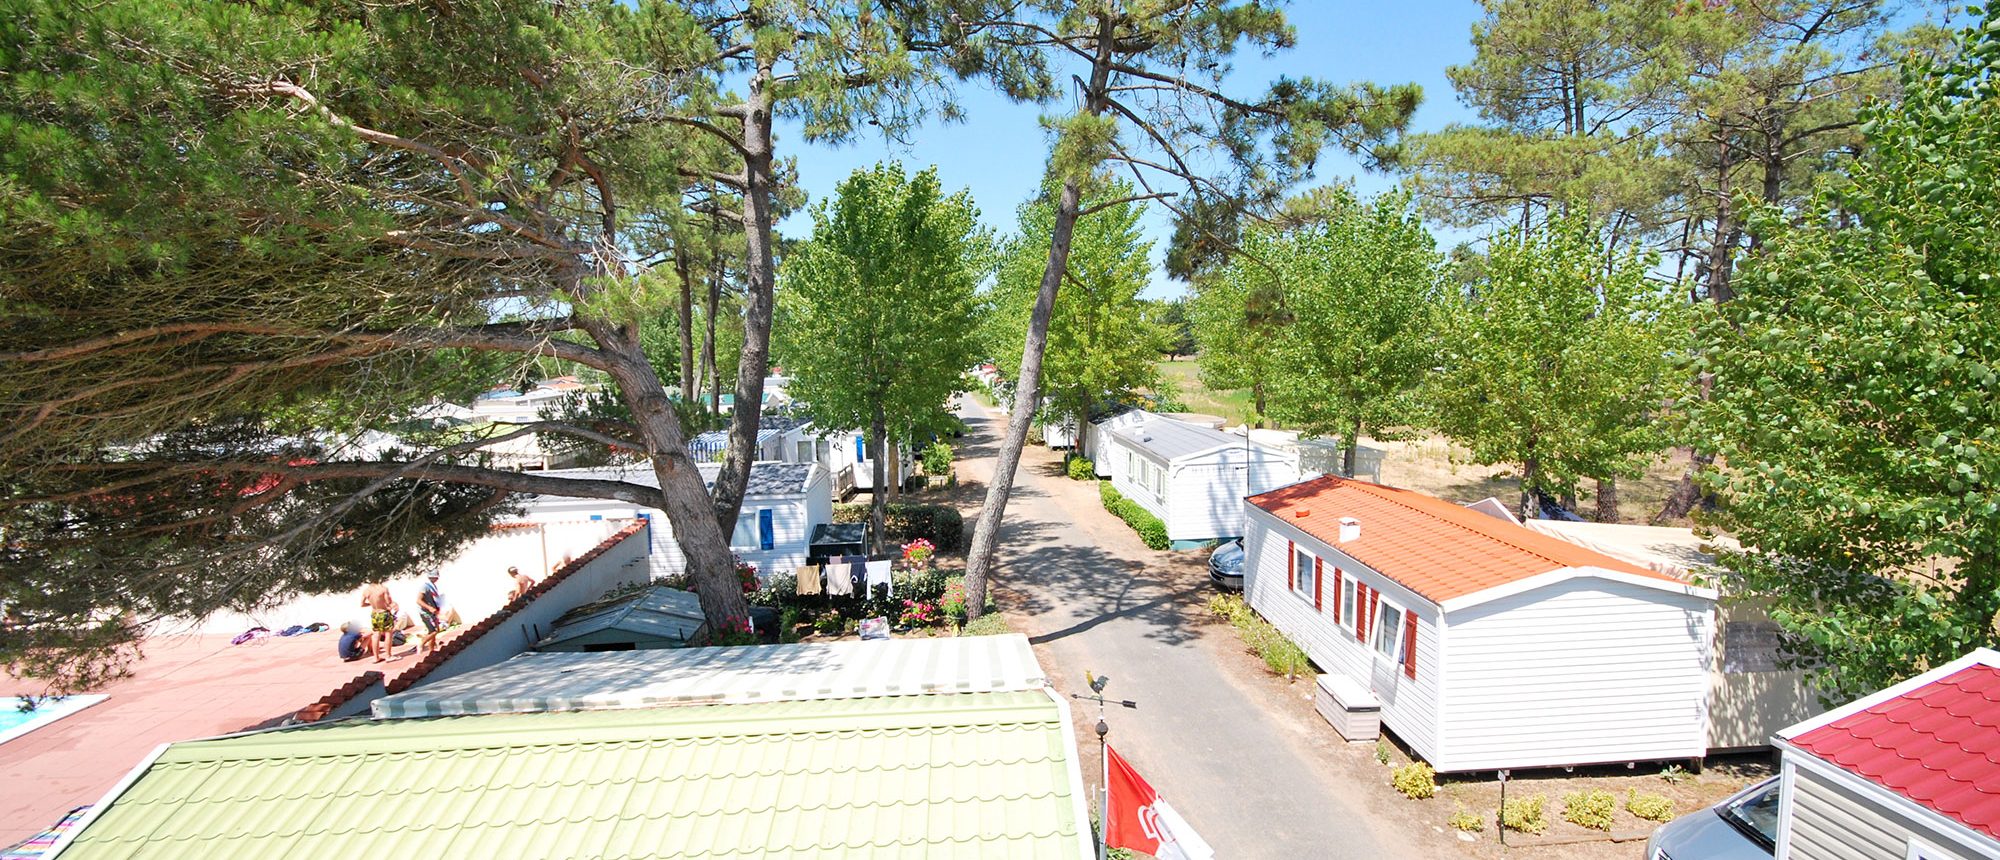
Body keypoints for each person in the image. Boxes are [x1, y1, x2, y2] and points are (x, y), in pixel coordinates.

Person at [359, 581, 396, 663]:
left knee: (376, 635)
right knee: (388, 634)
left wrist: (371, 604)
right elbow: (388, 602)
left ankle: (376, 657)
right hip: (384, 613)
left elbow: (362, 604)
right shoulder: (383, 589)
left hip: (375, 614)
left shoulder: (366, 591)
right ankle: (388, 656)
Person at [417, 571, 445, 656]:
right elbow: (418, 600)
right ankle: (422, 643)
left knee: (435, 631)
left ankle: (432, 651)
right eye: (435, 577)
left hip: (432, 612)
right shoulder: (425, 587)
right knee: (434, 631)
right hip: (426, 613)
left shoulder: (432, 586)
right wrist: (429, 608)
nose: (437, 579)